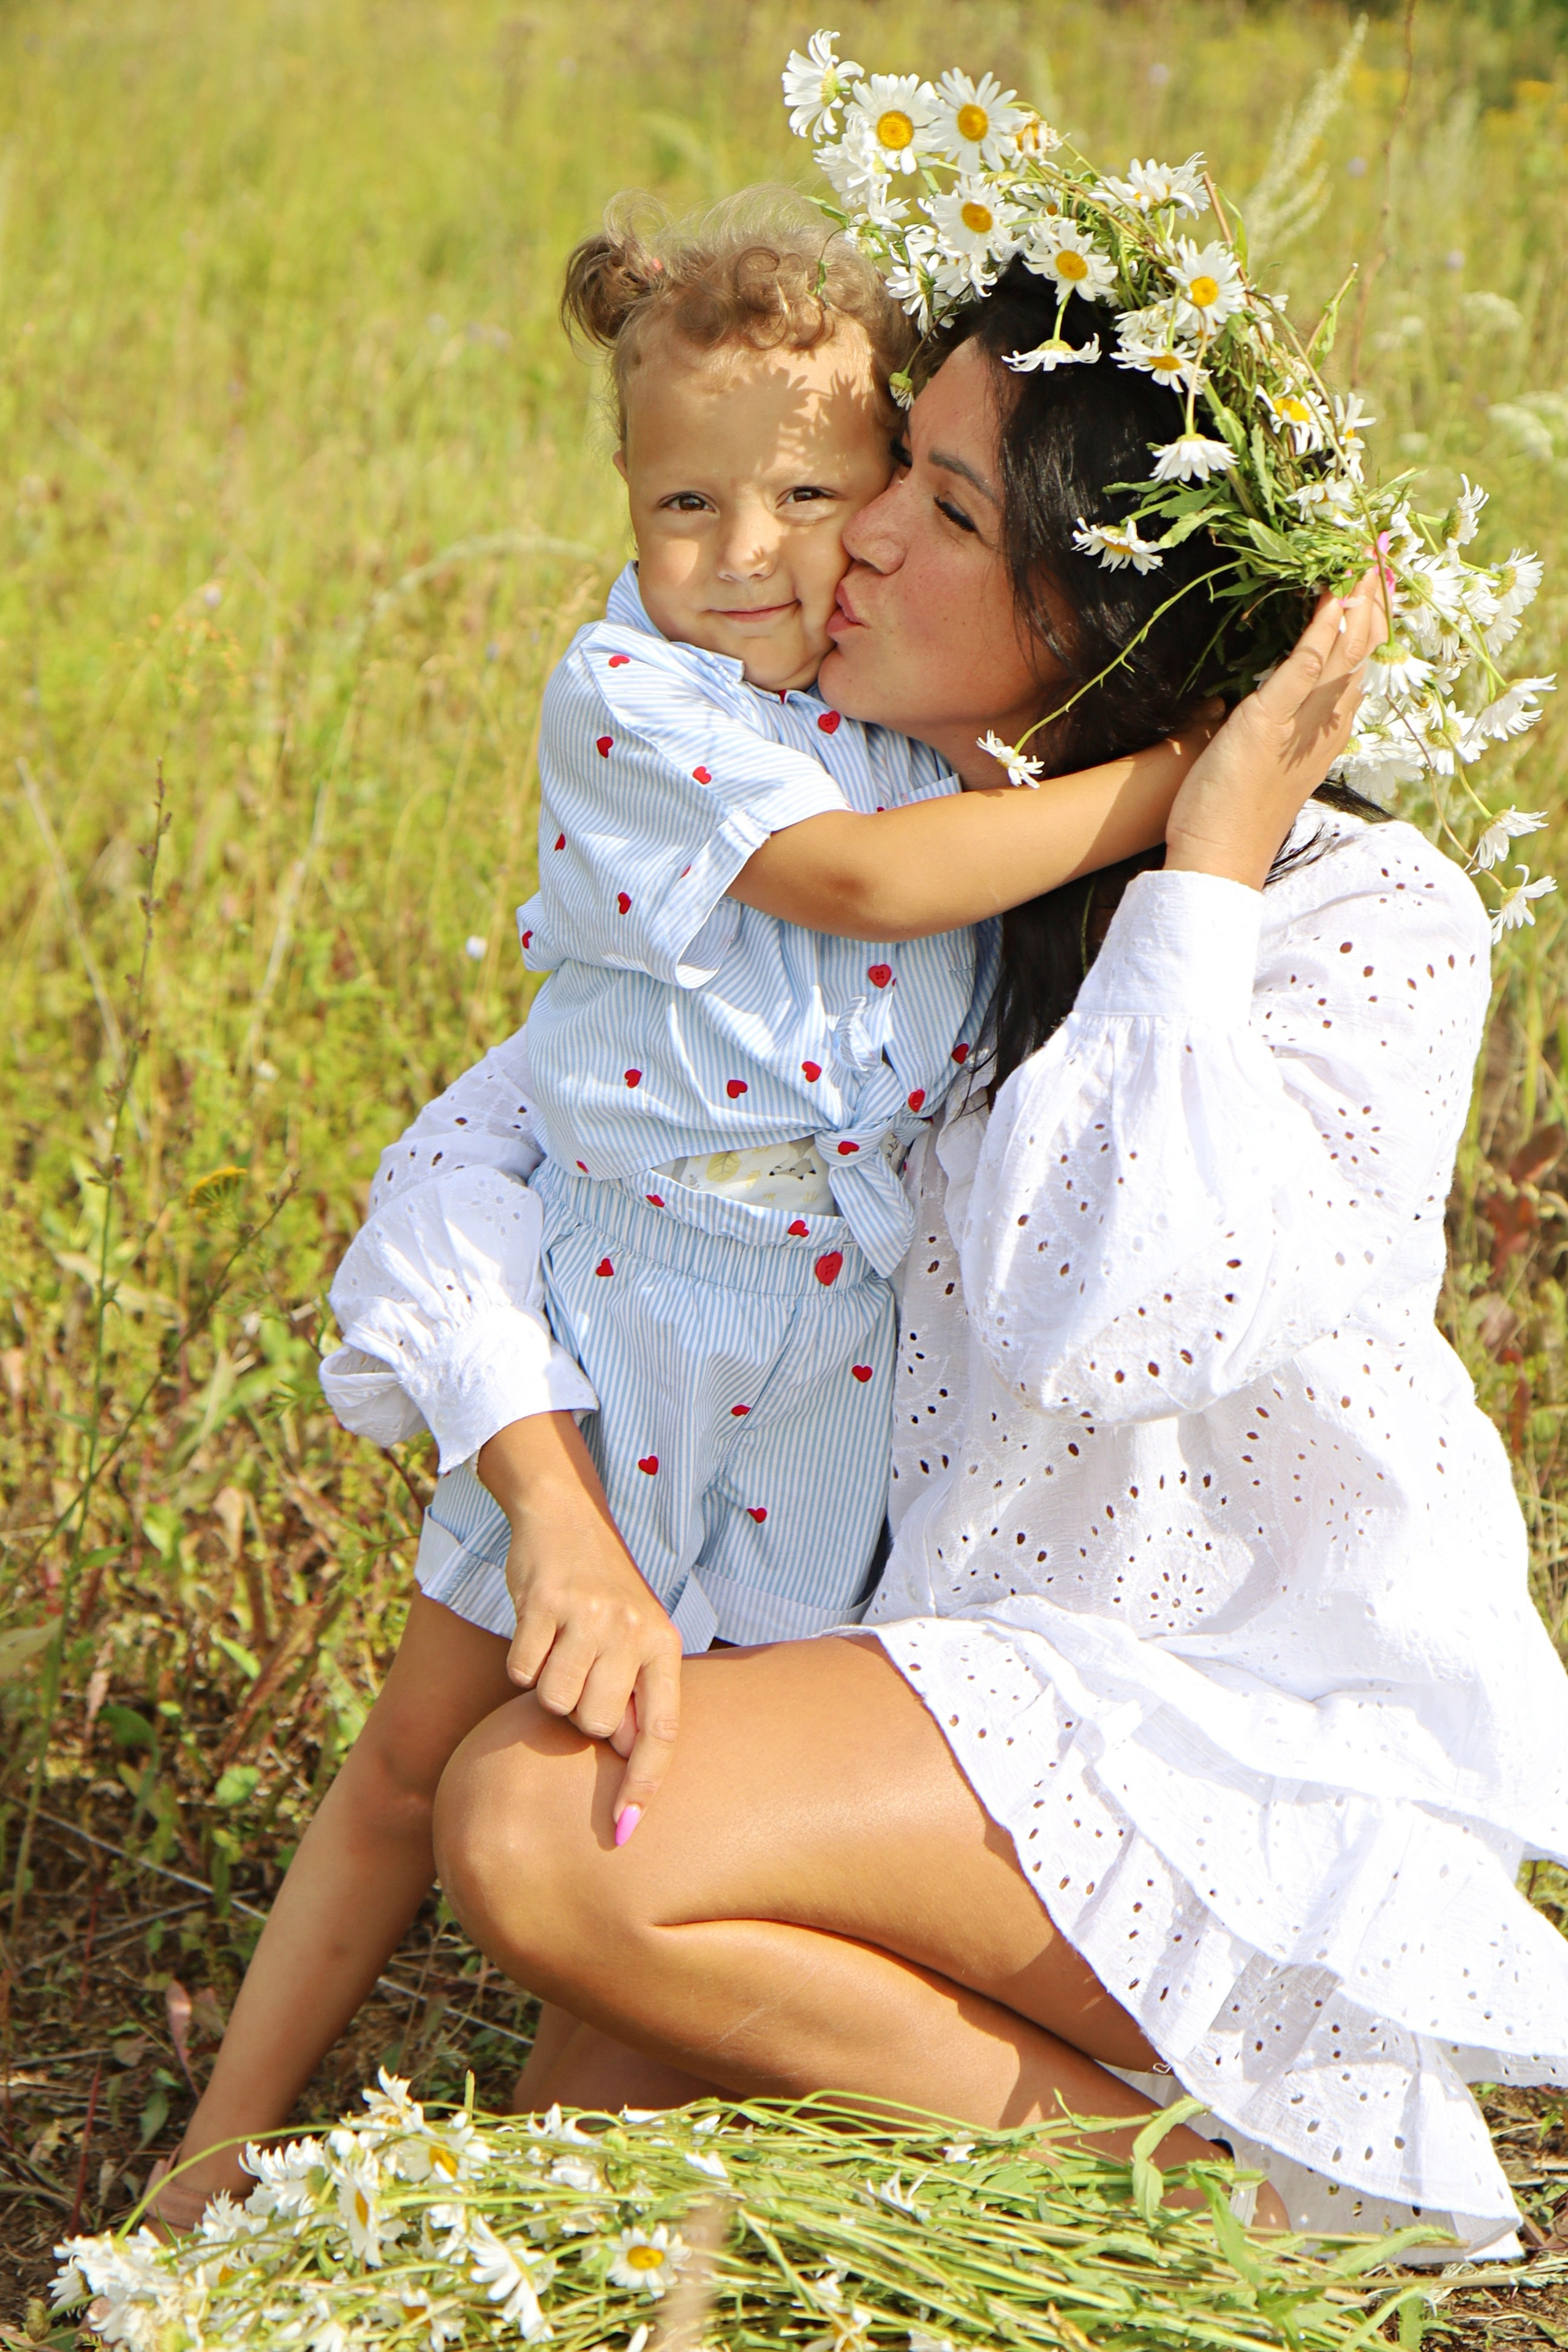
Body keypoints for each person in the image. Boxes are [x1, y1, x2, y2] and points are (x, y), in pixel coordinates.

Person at [424, 274, 1568, 2256]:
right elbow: (489, 1153)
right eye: (897, 470)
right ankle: (1010, 2185)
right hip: (926, 1681)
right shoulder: (890, 859)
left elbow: (1111, 1309)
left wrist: (1202, 855)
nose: (848, 532)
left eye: (945, 509)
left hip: (1209, 1740)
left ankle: (1218, 2227)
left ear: (1087, 612)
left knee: (545, 1831)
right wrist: (551, 1499)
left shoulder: (1364, 913)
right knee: (566, 2161)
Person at [151, 219, 1222, 2227]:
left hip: (839, 1369)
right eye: (686, 501)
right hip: (643, 1302)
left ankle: (630, 2162)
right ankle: (219, 2145)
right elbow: (869, 894)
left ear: (896, 491)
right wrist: (1183, 786)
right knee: (411, 1757)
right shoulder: (634, 697)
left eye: (815, 492)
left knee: (676, 1804)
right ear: (621, 507)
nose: (752, 548)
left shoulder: (919, 712)